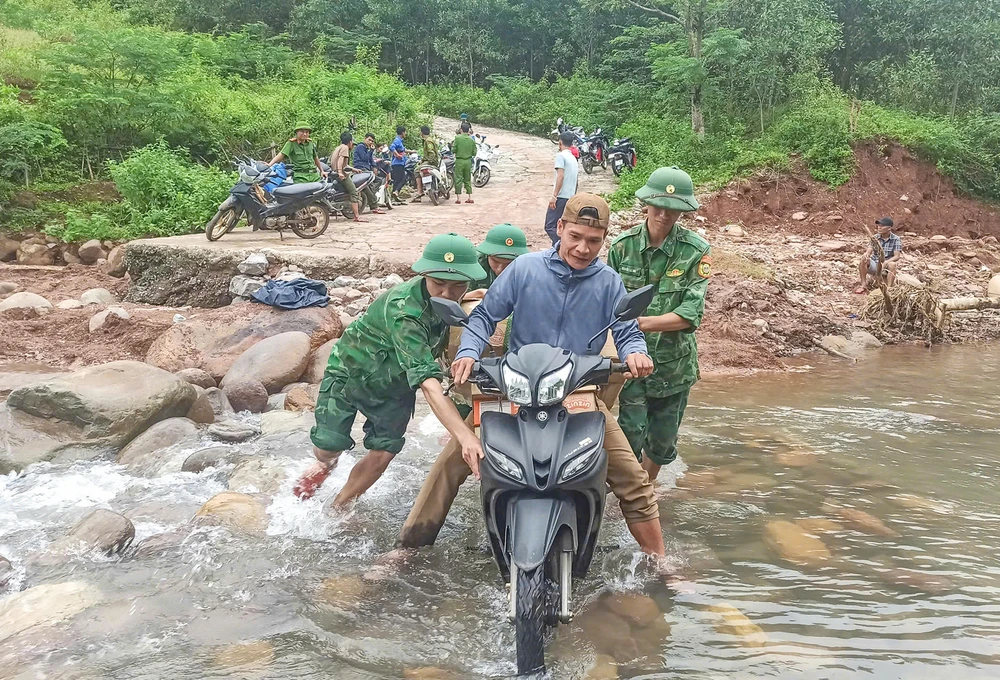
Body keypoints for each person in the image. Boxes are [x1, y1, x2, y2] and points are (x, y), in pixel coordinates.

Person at [394, 194, 667, 558]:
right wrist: (468, 352)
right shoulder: (525, 268)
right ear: (560, 229)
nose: (583, 248)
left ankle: (660, 562)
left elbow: (628, 331)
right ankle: (407, 550)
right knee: (452, 462)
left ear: (603, 240)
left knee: (632, 480)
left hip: (577, 391)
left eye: (593, 241)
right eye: (576, 237)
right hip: (516, 389)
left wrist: (637, 353)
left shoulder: (609, 282)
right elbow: (484, 317)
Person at [292, 233, 488, 507]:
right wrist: (464, 435)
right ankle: (326, 464)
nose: (446, 294)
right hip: (352, 373)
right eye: (438, 284)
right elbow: (429, 385)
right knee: (328, 445)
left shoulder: (455, 296)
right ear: (424, 276)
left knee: (383, 452)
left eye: (457, 287)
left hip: (395, 386)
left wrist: (470, 297)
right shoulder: (404, 312)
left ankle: (339, 507)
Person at [608, 166, 710, 482]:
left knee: (663, 440)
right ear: (646, 204)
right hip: (631, 363)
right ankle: (630, 490)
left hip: (674, 366)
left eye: (674, 210)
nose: (665, 215)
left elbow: (690, 313)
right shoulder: (621, 248)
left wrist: (640, 324)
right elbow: (605, 303)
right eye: (660, 207)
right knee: (630, 431)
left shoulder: (695, 251)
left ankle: (646, 486)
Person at [544, 131, 579, 245]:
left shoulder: (561, 156)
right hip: (570, 197)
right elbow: (576, 180)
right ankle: (557, 248)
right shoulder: (574, 158)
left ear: (560, 143)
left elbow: (560, 176)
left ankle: (562, 245)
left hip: (561, 197)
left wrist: (554, 196)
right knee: (562, 224)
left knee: (550, 226)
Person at [330, 131, 369, 223]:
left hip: (334, 173)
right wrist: (340, 172)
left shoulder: (338, 147)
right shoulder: (345, 148)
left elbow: (345, 165)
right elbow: (340, 160)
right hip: (342, 174)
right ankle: (357, 216)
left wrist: (354, 169)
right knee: (354, 192)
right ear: (350, 142)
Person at [856, 217, 902, 292]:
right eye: (878, 225)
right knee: (863, 260)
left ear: (889, 228)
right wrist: (866, 254)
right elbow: (869, 250)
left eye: (882, 226)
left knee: (893, 264)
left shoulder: (896, 239)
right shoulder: (875, 237)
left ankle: (889, 289)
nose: (879, 227)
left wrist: (886, 262)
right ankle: (863, 285)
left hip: (887, 264)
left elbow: (897, 256)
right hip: (875, 263)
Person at [353, 133, 389, 214]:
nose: (370, 142)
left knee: (378, 181)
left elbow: (371, 160)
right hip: (361, 169)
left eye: (372, 141)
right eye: (369, 140)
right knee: (370, 186)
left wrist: (374, 166)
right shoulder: (360, 147)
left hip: (367, 170)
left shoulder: (367, 148)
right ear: (365, 139)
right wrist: (371, 150)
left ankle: (371, 197)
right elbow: (364, 158)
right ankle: (373, 204)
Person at [411, 125, 441, 203]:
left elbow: (431, 154)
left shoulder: (428, 141)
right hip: (431, 161)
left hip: (432, 162)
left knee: (416, 170)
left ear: (422, 132)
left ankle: (420, 191)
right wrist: (422, 160)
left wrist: (427, 161)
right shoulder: (429, 139)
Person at [452, 121, 477, 205]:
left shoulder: (457, 138)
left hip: (459, 160)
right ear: (468, 130)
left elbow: (453, 149)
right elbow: (474, 153)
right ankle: (470, 197)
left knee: (458, 178)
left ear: (461, 130)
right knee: (468, 179)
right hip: (468, 161)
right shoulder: (471, 139)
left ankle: (458, 198)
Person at [389, 125, 411, 205]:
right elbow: (391, 147)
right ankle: (396, 192)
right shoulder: (397, 140)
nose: (406, 133)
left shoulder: (400, 141)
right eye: (405, 132)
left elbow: (404, 150)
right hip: (397, 163)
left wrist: (411, 151)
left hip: (400, 163)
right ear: (402, 132)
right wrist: (397, 155)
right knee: (403, 178)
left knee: (397, 180)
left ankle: (394, 196)